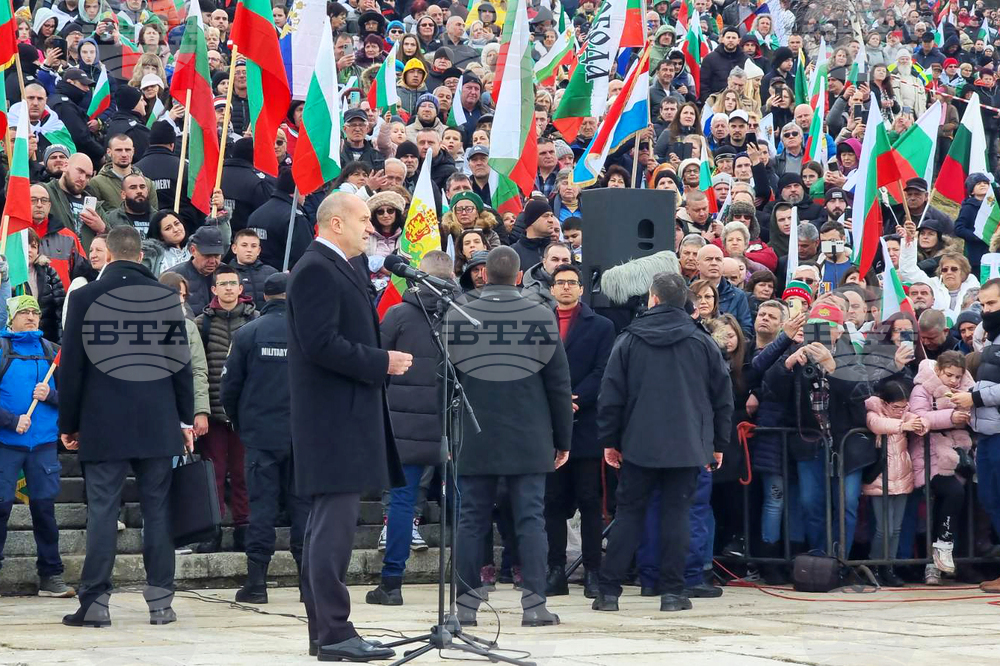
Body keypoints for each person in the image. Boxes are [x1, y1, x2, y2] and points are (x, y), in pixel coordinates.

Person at [288, 191, 408, 661]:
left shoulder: (344, 266)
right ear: (335, 223)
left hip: (345, 415)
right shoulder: (316, 268)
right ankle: (335, 632)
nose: (371, 228)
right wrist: (382, 361)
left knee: (330, 526)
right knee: (332, 529)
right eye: (363, 220)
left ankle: (326, 632)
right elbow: (320, 344)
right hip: (331, 419)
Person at [60, 226, 194, 627]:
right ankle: (161, 604)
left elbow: (72, 366)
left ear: (109, 254)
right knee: (158, 511)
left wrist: (69, 422)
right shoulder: (165, 298)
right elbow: (181, 364)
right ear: (140, 256)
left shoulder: (84, 297)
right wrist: (184, 418)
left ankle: (95, 604)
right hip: (157, 420)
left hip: (103, 421)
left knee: (103, 511)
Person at [594, 272, 732, 613]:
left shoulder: (629, 339)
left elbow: (610, 395)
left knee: (629, 515)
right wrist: (718, 443)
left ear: (653, 298)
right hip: (687, 443)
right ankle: (672, 593)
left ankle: (608, 593)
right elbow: (722, 397)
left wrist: (610, 439)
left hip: (638, 442)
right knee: (677, 516)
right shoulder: (702, 341)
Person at [452, 246, 572, 628]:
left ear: (484, 275)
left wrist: (448, 433)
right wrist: (563, 440)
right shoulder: (540, 315)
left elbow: (445, 380)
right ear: (519, 276)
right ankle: (534, 606)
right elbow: (558, 384)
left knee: (471, 521)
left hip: (475, 433)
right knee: (531, 520)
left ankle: (465, 607)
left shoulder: (460, 313)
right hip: (529, 434)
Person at [366, 251, 454, 606]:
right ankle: (471, 583)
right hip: (453, 424)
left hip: (404, 425)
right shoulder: (465, 313)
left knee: (402, 501)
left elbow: (376, 364)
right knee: (464, 501)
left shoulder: (398, 315)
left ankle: (392, 584)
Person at [222, 272, 310, 604]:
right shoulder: (309, 333)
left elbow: (229, 387)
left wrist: (240, 422)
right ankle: (308, 585)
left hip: (261, 436)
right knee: (304, 510)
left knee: (261, 509)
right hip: (302, 436)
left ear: (266, 297)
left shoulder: (248, 333)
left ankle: (257, 584)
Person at [544, 263, 615, 600]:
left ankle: (593, 571)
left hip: (585, 425)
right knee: (553, 502)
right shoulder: (539, 324)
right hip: (548, 424)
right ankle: (555, 570)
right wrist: (556, 401)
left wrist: (574, 399)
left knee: (589, 500)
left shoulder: (601, 326)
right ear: (551, 288)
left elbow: (604, 371)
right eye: (561, 282)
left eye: (572, 282)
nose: (566, 287)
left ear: (582, 288)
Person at [0, 296, 74, 599]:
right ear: (11, 318)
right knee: (1, 508)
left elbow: (73, 397)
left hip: (43, 444)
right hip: (6, 443)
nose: (31, 317)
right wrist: (11, 420)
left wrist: (50, 395)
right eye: (24, 312)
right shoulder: (2, 349)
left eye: (35, 312)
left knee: (45, 511)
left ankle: (50, 575)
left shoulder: (52, 352)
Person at [193, 265, 258, 554]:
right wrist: (200, 410)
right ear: (214, 289)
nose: (229, 288)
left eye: (233, 283)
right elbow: (197, 368)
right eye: (223, 284)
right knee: (214, 474)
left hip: (246, 414)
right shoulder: (201, 324)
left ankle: (244, 527)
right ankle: (213, 529)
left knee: (244, 473)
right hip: (214, 412)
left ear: (241, 288)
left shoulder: (255, 320)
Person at [909, 352, 974, 585]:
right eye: (949, 375)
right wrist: (951, 417)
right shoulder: (922, 388)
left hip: (957, 455)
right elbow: (919, 417)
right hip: (928, 455)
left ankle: (935, 564)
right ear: (938, 371)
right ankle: (943, 548)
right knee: (952, 493)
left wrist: (968, 415)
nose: (954, 380)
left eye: (958, 376)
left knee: (948, 504)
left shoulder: (968, 390)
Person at [863, 378, 921, 587]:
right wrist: (903, 425)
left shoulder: (905, 414)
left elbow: (921, 421)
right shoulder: (874, 412)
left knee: (896, 528)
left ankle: (889, 566)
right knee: (883, 528)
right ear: (885, 403)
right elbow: (877, 425)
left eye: (904, 407)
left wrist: (921, 423)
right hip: (880, 479)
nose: (900, 411)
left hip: (902, 476)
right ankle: (875, 564)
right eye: (896, 407)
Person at [164, 226, 226, 315]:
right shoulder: (175, 277)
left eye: (217, 255)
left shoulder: (229, 275)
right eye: (207, 255)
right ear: (193, 250)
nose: (212, 261)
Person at [229, 229, 278, 310]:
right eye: (244, 245)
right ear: (234, 248)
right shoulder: (226, 274)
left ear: (259, 250)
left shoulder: (272, 273)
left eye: (253, 246)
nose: (249, 250)